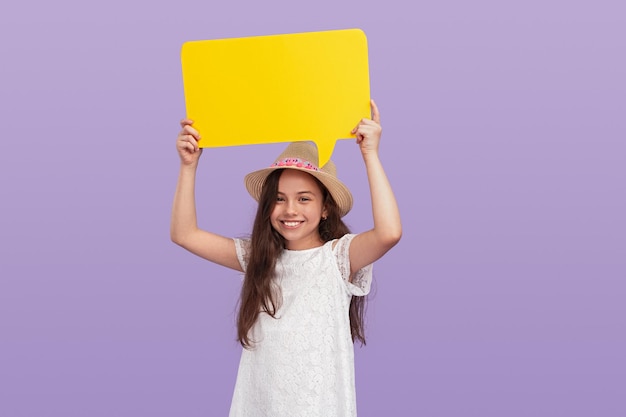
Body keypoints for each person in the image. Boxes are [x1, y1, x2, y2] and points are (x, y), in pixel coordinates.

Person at [171, 100, 401, 417]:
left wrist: (370, 155)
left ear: (325, 209)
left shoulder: (337, 258)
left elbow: (389, 232)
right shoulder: (259, 259)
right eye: (279, 199)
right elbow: (184, 234)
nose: (290, 210)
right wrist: (188, 167)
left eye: (303, 199)